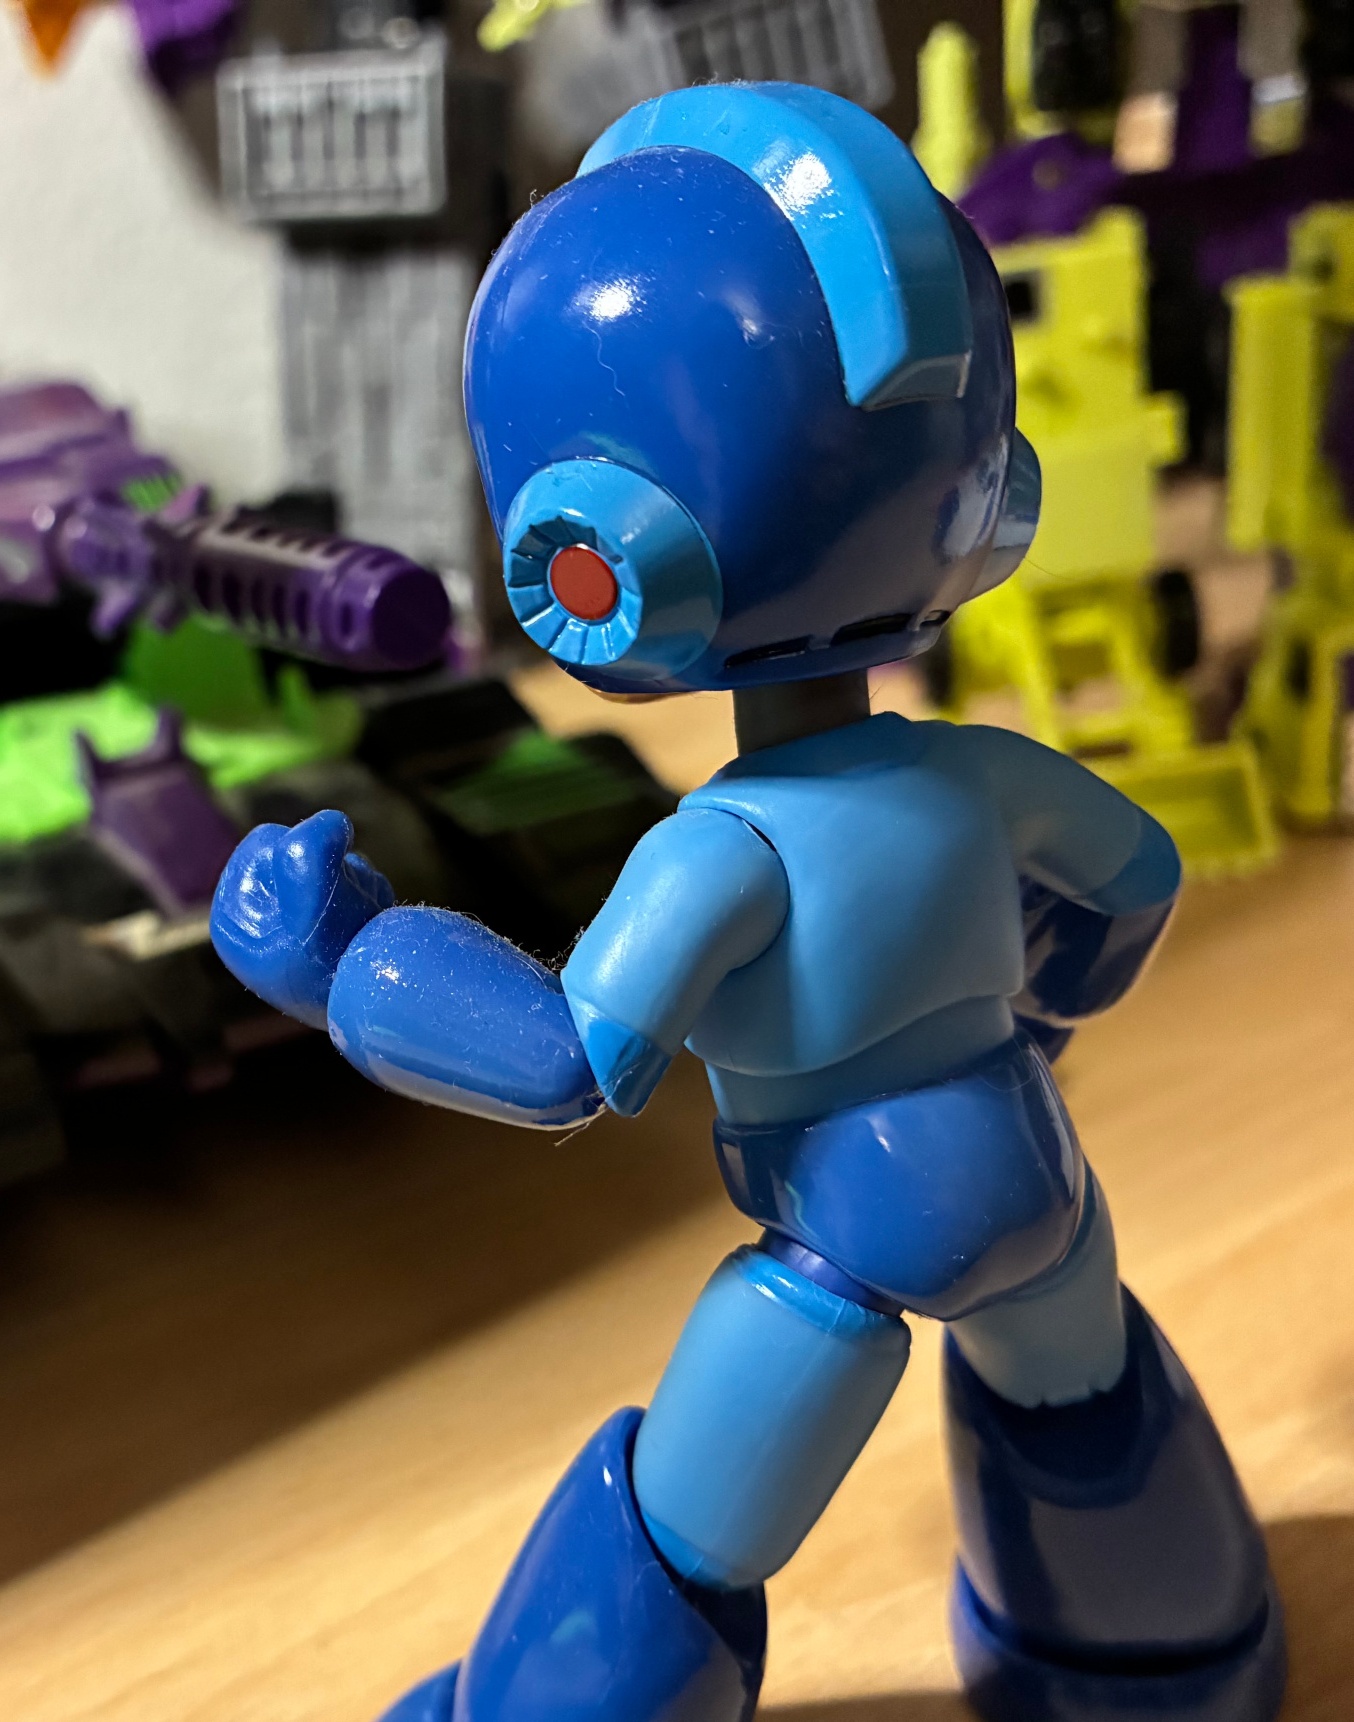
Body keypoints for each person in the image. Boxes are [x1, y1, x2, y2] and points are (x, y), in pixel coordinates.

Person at [210, 83, 1284, 1722]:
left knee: (686, 1530)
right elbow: (1136, 880)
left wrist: (346, 957)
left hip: (835, 1247)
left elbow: (568, 1061)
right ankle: (1159, 1657)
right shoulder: (975, 775)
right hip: (1035, 1181)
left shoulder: (726, 851)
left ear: (594, 549)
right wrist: (1042, 1018)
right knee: (1079, 1393)